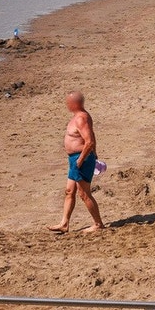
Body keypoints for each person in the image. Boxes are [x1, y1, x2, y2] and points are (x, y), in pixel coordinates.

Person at [48, 91, 104, 233]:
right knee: (69, 191)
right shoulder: (77, 117)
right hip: (75, 159)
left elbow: (89, 141)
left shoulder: (81, 118)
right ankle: (64, 223)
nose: (66, 104)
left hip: (81, 159)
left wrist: (81, 159)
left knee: (83, 193)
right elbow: (92, 136)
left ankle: (98, 224)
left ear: (74, 103)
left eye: (68, 102)